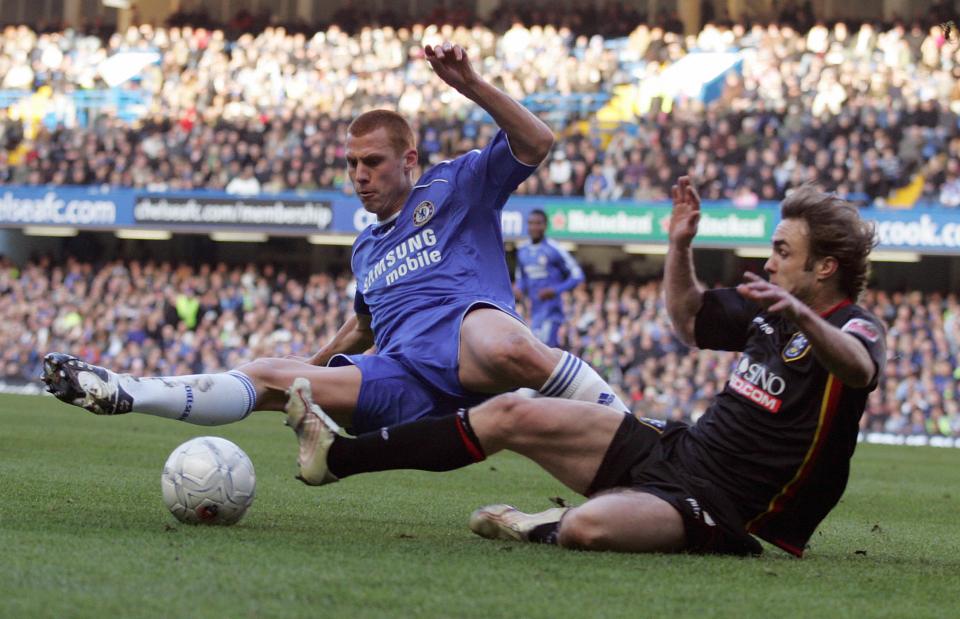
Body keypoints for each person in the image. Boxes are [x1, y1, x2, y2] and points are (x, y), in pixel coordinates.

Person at [42, 41, 629, 435]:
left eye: (371, 162)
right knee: (270, 370)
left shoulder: (459, 185)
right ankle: (123, 390)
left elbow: (537, 142)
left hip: (470, 351)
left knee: (507, 344)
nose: (359, 175)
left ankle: (634, 434)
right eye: (351, 164)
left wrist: (472, 85)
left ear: (409, 160)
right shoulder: (366, 248)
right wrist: (307, 372)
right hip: (403, 381)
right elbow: (364, 326)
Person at [284, 178, 886, 557]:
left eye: (783, 251)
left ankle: (539, 523)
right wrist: (678, 247)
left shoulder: (855, 326)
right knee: (509, 411)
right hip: (679, 451)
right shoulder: (770, 311)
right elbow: (688, 319)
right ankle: (335, 458)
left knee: (587, 531)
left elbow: (858, 369)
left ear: (825, 268)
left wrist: (805, 321)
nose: (770, 261)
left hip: (728, 507)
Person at [514, 209, 584, 348]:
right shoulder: (522, 251)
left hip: (552, 313)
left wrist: (555, 290)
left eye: (538, 223)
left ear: (545, 226)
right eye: (531, 223)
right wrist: (519, 289)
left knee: (545, 351)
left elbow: (577, 275)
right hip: (534, 314)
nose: (534, 227)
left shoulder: (554, 249)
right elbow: (521, 278)